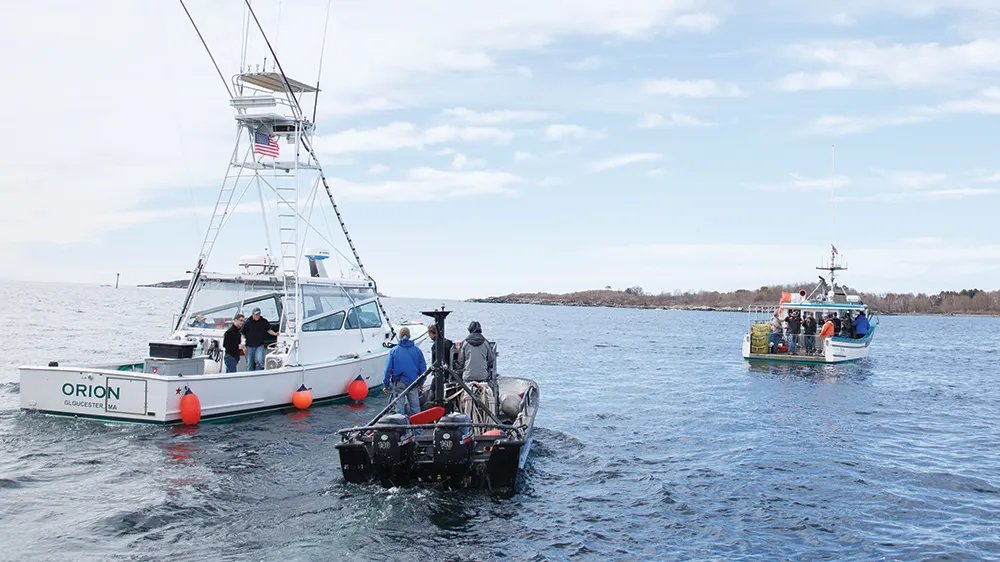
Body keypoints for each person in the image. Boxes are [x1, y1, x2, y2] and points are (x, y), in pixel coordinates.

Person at [382, 326, 427, 416]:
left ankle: (401, 428)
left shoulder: (393, 351)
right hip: (413, 382)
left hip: (399, 383)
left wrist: (386, 385)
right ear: (409, 336)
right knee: (415, 409)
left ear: (399, 336)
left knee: (399, 410)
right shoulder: (417, 351)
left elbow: (387, 370)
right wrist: (421, 384)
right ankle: (417, 429)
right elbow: (423, 369)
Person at [241, 307, 278, 371]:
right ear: (252, 314)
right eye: (256, 314)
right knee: (250, 363)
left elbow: (268, 330)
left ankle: (257, 373)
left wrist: (275, 334)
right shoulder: (247, 323)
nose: (257, 316)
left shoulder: (264, 321)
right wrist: (243, 345)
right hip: (249, 345)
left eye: (258, 314)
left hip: (259, 345)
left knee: (260, 361)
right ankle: (249, 375)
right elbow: (242, 334)